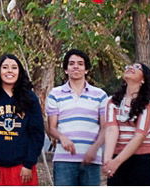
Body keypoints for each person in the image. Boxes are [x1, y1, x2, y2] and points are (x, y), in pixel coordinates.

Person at [0, 53, 45, 186]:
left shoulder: (29, 97)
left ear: (19, 71)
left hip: (22, 169)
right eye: (5, 67)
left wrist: (28, 164)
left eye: (14, 67)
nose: (9, 71)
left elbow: (37, 133)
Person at [46, 49, 108, 186]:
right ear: (66, 69)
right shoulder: (55, 94)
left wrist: (95, 147)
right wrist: (62, 137)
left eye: (80, 64)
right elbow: (51, 127)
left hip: (91, 159)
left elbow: (105, 127)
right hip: (64, 160)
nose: (76, 67)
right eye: (71, 63)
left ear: (86, 70)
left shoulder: (100, 95)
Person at [103, 62, 150, 186]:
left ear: (144, 79)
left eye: (137, 67)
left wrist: (116, 162)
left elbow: (139, 136)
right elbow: (111, 130)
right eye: (128, 66)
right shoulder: (112, 102)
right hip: (117, 159)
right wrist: (108, 160)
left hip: (143, 161)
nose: (130, 68)